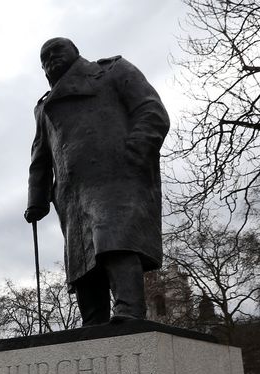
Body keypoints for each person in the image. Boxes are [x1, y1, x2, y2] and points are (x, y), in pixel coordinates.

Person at [24, 37, 170, 325]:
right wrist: (36, 199)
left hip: (116, 177)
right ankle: (93, 323)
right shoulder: (44, 107)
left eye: (57, 51)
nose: (51, 59)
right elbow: (40, 157)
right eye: (44, 58)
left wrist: (135, 151)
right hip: (71, 193)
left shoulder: (113, 71)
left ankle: (129, 310)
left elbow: (152, 111)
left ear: (76, 52)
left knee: (114, 241)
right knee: (81, 261)